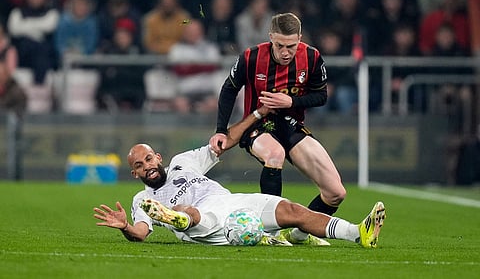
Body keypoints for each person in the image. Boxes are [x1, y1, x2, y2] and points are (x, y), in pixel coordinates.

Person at [93, 106, 386, 247]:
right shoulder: (143, 199)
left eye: (149, 159)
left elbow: (222, 142)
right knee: (188, 211)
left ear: (158, 157)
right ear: (135, 174)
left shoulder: (183, 162)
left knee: (292, 210)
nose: (148, 166)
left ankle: (358, 233)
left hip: (229, 202)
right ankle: (176, 218)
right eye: (140, 166)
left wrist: (257, 115)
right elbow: (141, 234)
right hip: (202, 226)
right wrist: (125, 228)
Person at [209, 13, 347, 243]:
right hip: (257, 124)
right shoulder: (252, 57)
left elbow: (321, 96)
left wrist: (292, 102)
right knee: (275, 154)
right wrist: (221, 130)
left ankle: (300, 234)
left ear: (300, 39)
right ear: (271, 37)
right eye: (280, 45)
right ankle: (268, 233)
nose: (285, 52)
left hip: (291, 126)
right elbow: (229, 89)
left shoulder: (312, 57)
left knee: (336, 193)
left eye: (291, 46)